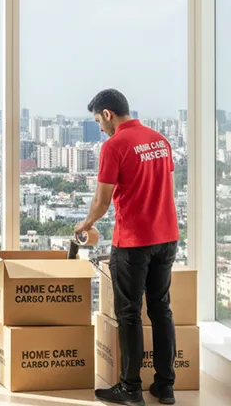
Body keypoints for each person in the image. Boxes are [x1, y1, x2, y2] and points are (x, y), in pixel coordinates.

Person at [75, 88, 178, 406]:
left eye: (98, 121)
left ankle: (130, 388)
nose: (100, 128)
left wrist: (85, 224)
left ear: (107, 113)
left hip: (134, 241)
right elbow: (161, 185)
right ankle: (165, 386)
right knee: (161, 310)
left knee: (129, 314)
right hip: (167, 237)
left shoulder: (114, 145)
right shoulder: (159, 140)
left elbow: (102, 201)